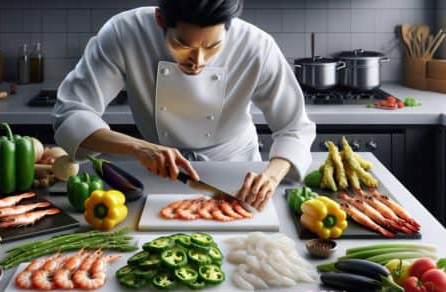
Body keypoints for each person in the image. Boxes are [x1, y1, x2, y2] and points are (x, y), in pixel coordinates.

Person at [53, 0, 314, 210]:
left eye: (212, 46)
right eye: (182, 44)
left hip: (237, 177)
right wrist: (138, 148)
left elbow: (294, 128)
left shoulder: (257, 46)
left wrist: (271, 176)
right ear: (159, 20)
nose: (197, 61)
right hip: (155, 176)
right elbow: (71, 113)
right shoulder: (125, 33)